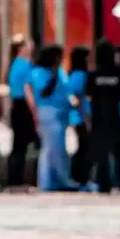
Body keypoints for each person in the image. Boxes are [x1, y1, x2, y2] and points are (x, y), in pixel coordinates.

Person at [87, 39, 120, 193]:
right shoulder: (118, 74)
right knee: (119, 151)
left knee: (101, 152)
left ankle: (103, 183)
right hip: (115, 116)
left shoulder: (93, 75)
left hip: (98, 117)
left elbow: (88, 97)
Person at [28, 44, 78, 192]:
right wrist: (54, 75)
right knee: (50, 149)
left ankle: (58, 179)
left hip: (62, 112)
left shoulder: (61, 72)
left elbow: (66, 89)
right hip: (48, 112)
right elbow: (44, 92)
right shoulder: (38, 73)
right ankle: (48, 181)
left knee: (60, 148)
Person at [6, 35, 39, 190]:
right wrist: (35, 112)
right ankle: (20, 178)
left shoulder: (14, 64)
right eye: (28, 45)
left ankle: (15, 177)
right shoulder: (25, 65)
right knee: (26, 144)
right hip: (24, 107)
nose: (31, 47)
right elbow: (28, 90)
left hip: (16, 107)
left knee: (18, 145)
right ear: (21, 48)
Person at [66, 46, 92, 186]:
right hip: (81, 117)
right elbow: (77, 99)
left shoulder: (74, 74)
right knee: (84, 148)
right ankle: (80, 177)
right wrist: (87, 119)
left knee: (83, 147)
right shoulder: (80, 75)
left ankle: (79, 176)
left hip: (78, 117)